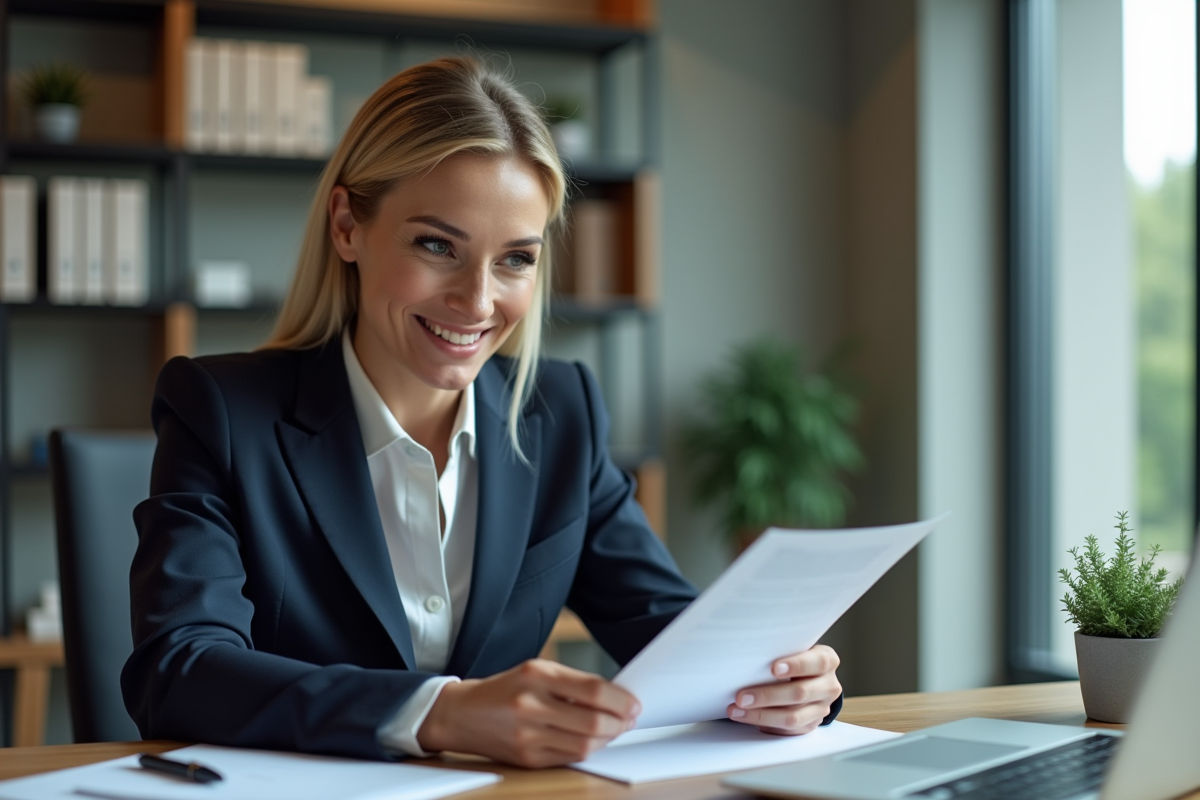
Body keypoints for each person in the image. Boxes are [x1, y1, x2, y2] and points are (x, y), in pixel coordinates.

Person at [122, 55, 842, 768]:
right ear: (347, 226)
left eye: (516, 259)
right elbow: (179, 670)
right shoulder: (220, 411)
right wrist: (440, 713)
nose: (476, 301)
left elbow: (674, 635)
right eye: (438, 246)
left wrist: (789, 682)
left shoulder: (561, 413)